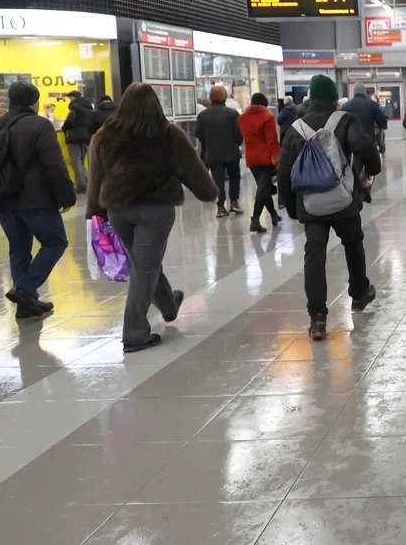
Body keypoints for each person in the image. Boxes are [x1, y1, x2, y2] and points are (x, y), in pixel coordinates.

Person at [86, 84, 218, 352]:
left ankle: (169, 304)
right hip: (155, 210)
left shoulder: (105, 135)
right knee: (144, 268)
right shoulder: (168, 134)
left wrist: (95, 211)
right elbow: (191, 169)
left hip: (119, 210)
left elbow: (96, 177)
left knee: (144, 262)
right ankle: (134, 333)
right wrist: (208, 192)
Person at [277, 73, 381, 340]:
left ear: (311, 97)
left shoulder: (296, 128)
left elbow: (284, 171)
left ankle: (317, 317)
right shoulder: (344, 120)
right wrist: (371, 170)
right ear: (334, 97)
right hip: (343, 199)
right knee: (353, 244)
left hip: (311, 204)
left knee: (314, 256)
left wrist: (292, 208)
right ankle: (359, 293)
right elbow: (365, 148)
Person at [0, 81, 76, 320]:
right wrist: (66, 195)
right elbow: (54, 165)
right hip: (36, 200)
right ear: (34, 102)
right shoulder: (40, 125)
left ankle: (26, 306)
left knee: (19, 249)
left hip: (4, 199)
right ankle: (25, 288)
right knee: (55, 242)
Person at [195, 85, 243, 218]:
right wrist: (236, 143)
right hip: (231, 152)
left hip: (213, 154)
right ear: (225, 97)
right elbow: (238, 135)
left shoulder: (203, 116)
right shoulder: (232, 114)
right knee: (234, 177)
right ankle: (234, 202)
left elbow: (198, 134)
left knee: (218, 181)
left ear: (211, 98)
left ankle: (221, 207)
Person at [238, 93, 281, 234]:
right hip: (266, 158)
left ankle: (274, 215)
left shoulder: (242, 118)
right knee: (263, 189)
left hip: (251, 158)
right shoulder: (267, 118)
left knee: (264, 188)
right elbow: (272, 141)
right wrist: (277, 157)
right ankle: (255, 220)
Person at [344, 82, 388, 202]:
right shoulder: (372, 105)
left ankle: (357, 192)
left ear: (354, 92)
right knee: (370, 168)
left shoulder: (347, 106)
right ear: (364, 92)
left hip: (352, 143)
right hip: (369, 142)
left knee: (356, 167)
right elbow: (382, 121)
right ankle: (366, 190)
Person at [61, 90, 94, 193]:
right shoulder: (89, 107)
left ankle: (81, 184)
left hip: (74, 137)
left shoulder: (75, 107)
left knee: (75, 161)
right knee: (81, 161)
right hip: (86, 136)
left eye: (69, 98)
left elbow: (70, 121)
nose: (69, 100)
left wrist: (64, 128)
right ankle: (88, 183)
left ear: (73, 97)